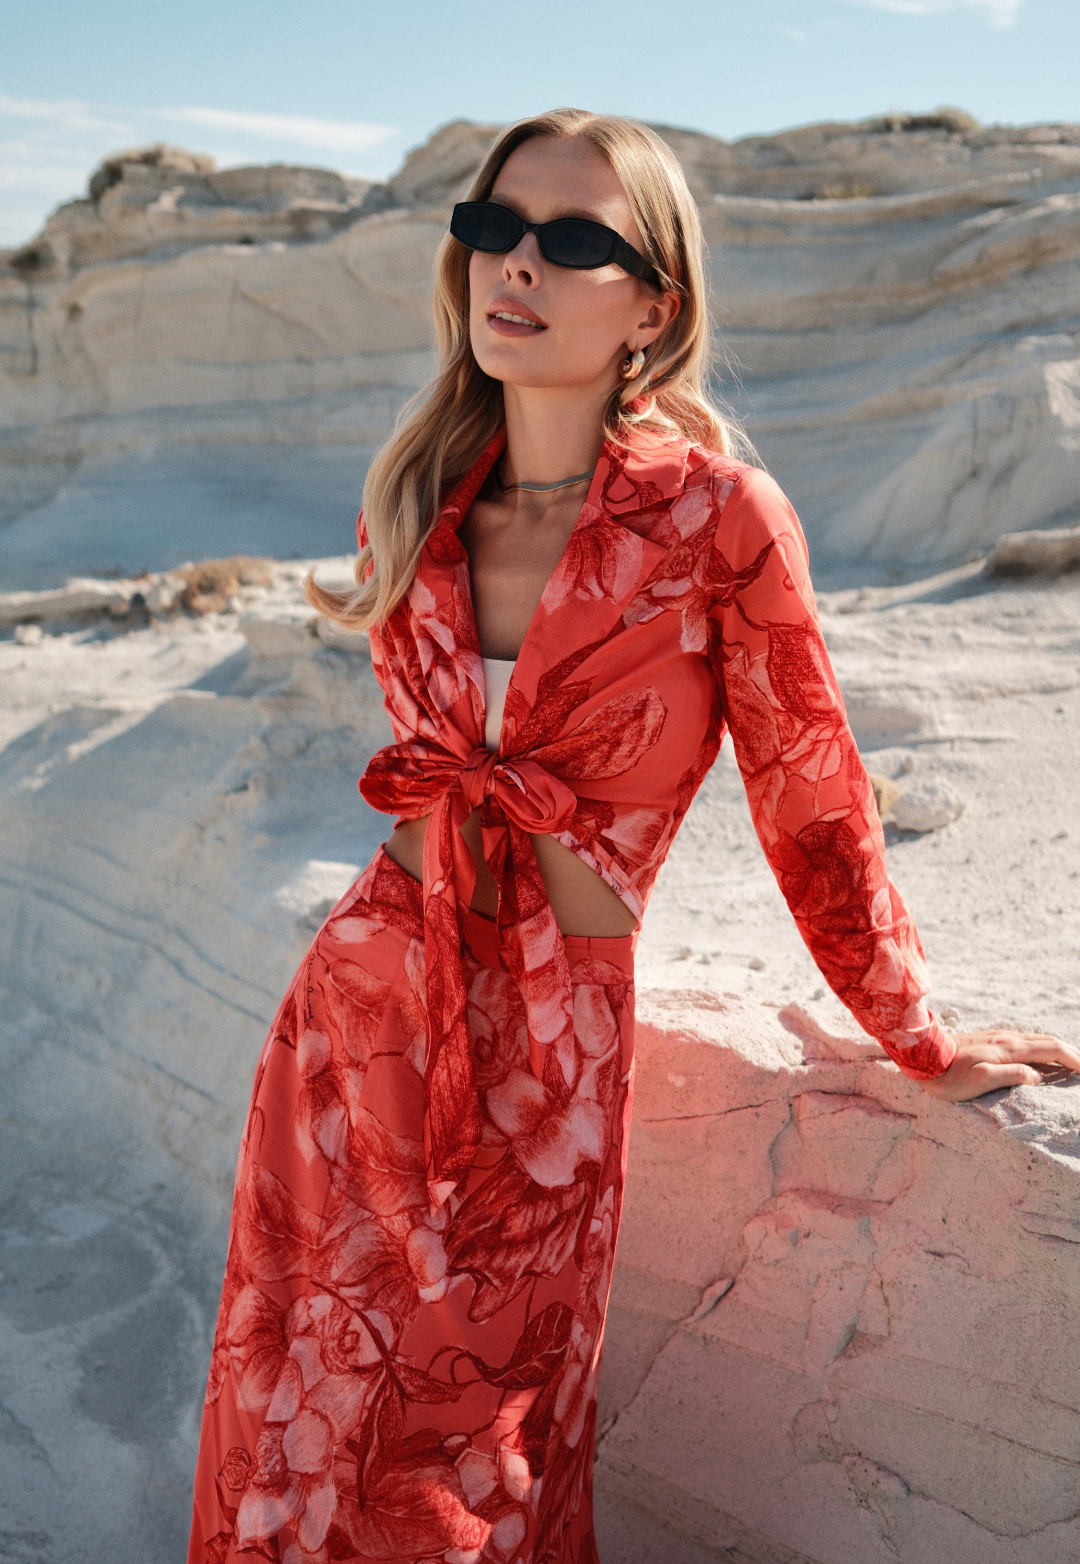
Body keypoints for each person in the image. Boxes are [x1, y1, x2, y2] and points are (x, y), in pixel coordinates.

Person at [187, 109, 1080, 1564]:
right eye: (492, 228)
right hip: (352, 1027)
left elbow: (813, 790)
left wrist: (917, 1032)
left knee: (472, 1478)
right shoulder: (412, 503)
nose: (515, 265)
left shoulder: (722, 518)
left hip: (548, 1060)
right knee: (297, 1433)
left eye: (574, 240)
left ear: (652, 305)